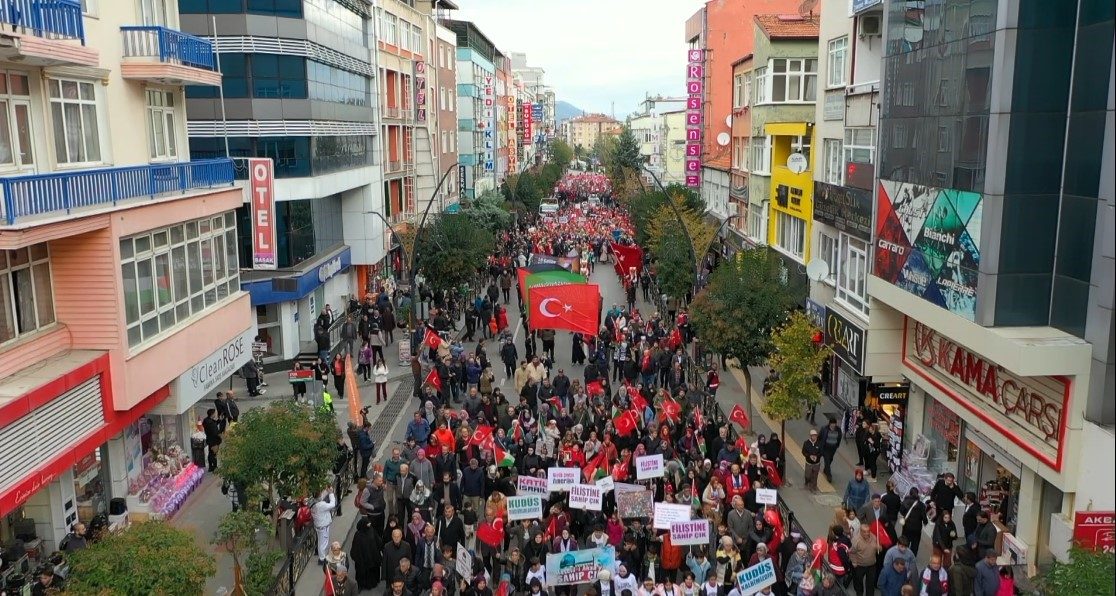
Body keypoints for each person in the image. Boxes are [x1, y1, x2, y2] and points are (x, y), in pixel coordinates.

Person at [313, 486, 338, 565]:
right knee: (323, 543)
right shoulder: (321, 505)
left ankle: (321, 555)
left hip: (319, 525)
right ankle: (322, 559)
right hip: (323, 527)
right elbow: (332, 504)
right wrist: (331, 493)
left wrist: (327, 491)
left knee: (320, 542)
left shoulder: (315, 504)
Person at [817, 416, 842, 482]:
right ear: (830, 423)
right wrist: (819, 445)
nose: (833, 425)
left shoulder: (838, 430)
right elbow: (819, 437)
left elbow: (839, 438)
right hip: (826, 447)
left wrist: (837, 445)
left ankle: (826, 470)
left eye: (834, 424)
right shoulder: (824, 428)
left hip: (833, 448)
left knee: (830, 459)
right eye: (832, 424)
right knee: (827, 460)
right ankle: (829, 475)